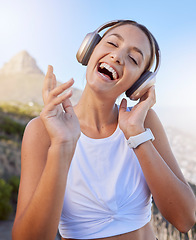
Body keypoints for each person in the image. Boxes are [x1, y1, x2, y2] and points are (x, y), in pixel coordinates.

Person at [12, 20, 195, 240]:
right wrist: (62, 145)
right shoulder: (42, 131)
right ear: (89, 50)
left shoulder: (145, 122)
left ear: (139, 84)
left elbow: (185, 218)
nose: (117, 57)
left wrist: (136, 135)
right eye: (112, 44)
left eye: (133, 59)